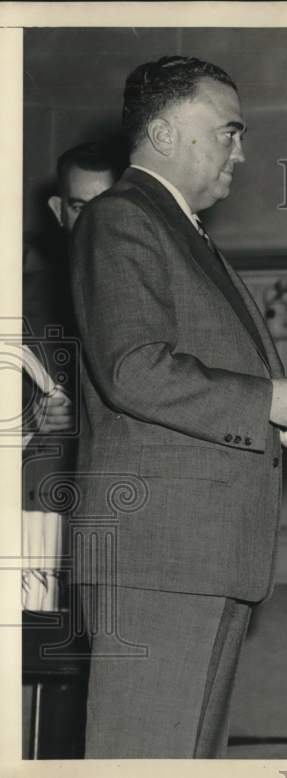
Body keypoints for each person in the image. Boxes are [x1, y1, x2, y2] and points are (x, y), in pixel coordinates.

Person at [69, 56, 287, 758]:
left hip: (200, 556)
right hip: (162, 556)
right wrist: (268, 398)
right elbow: (133, 368)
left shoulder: (182, 232)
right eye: (229, 131)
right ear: (162, 133)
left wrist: (278, 412)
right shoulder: (121, 217)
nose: (241, 152)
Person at [21, 141, 121, 609]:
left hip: (124, 527)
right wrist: (25, 421)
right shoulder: (17, 302)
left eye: (109, 206)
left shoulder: (163, 301)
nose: (97, 223)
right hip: (36, 525)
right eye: (83, 208)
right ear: (60, 210)